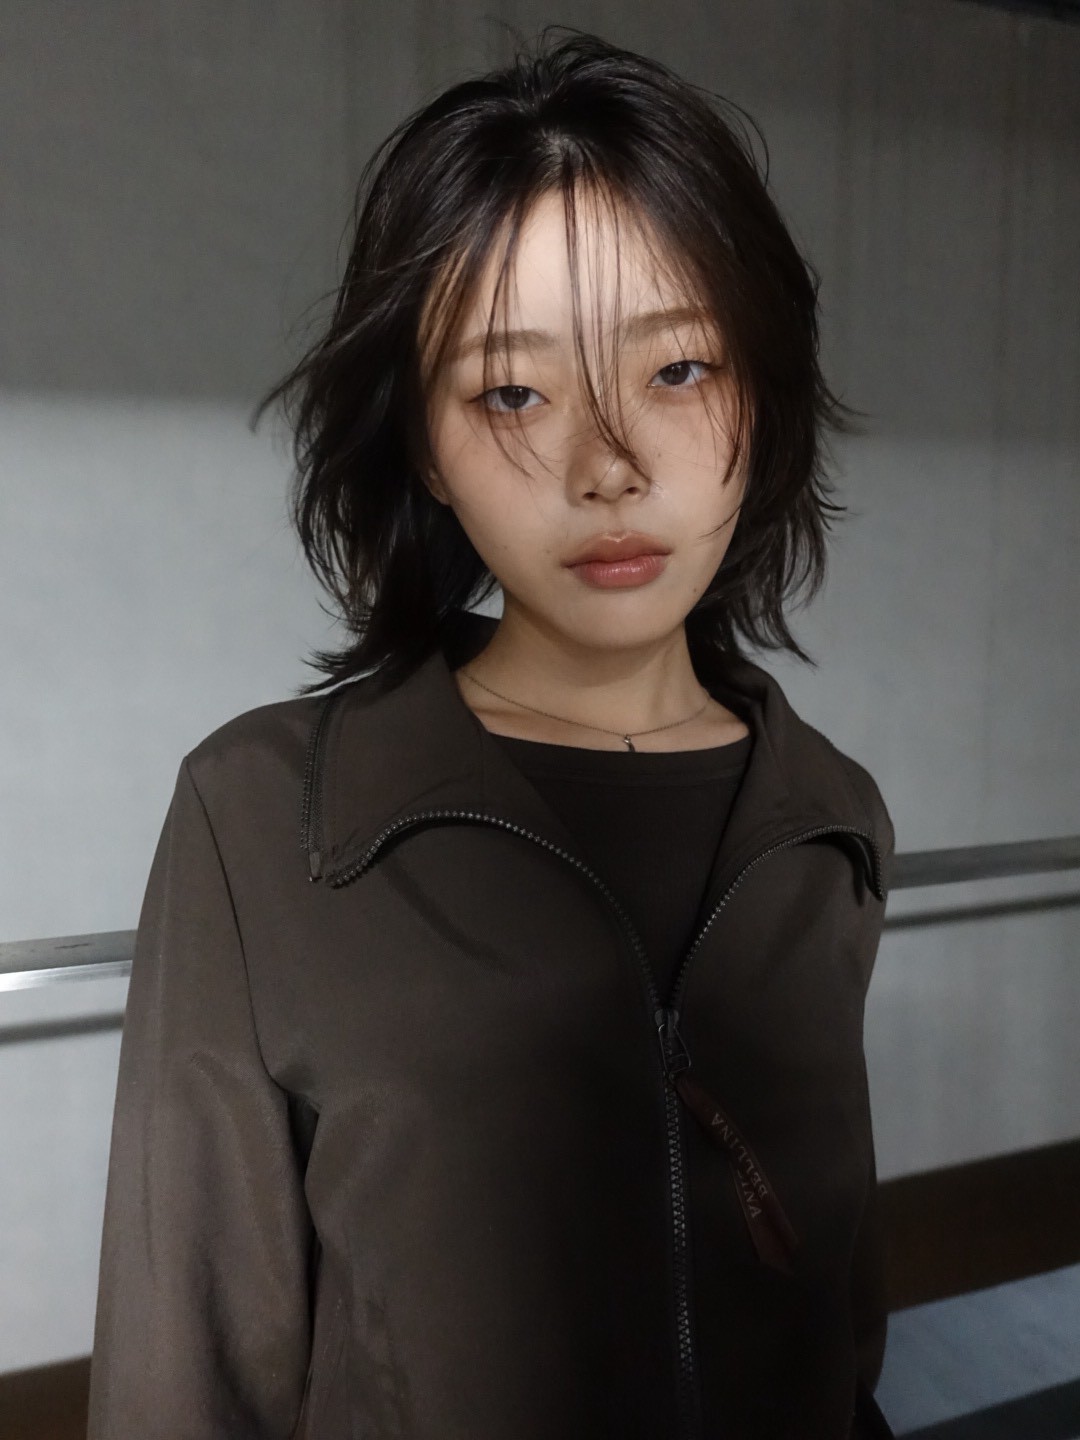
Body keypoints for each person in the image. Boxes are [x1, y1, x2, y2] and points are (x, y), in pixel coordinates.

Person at [87, 26, 897, 1440]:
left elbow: (834, 1323)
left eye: (679, 369)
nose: (607, 467)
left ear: (761, 393)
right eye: (512, 391)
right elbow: (185, 1367)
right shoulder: (266, 815)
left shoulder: (829, 819)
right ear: (424, 441)